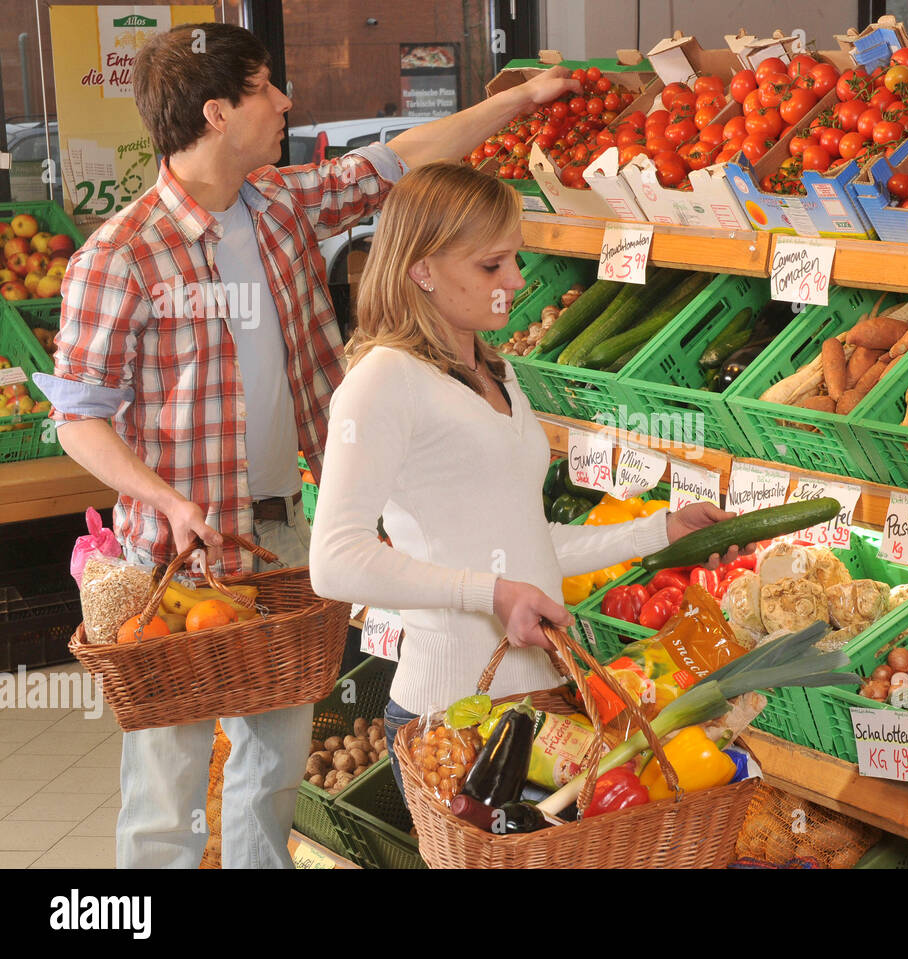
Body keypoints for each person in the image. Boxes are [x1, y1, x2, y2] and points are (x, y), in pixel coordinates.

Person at [35, 21, 580, 869]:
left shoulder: (283, 203)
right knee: (166, 782)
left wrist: (517, 100)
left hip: (285, 538)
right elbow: (78, 417)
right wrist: (167, 500)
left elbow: (403, 156)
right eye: (264, 88)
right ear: (217, 112)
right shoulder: (123, 255)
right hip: (172, 560)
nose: (285, 101)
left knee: (273, 768)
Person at [308, 162, 748, 804]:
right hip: (453, 715)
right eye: (493, 266)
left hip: (537, 707)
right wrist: (491, 593)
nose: (516, 281)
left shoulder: (496, 371)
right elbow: (335, 562)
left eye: (515, 259)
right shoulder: (383, 381)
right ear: (421, 269)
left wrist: (662, 530)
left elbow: (525, 542)